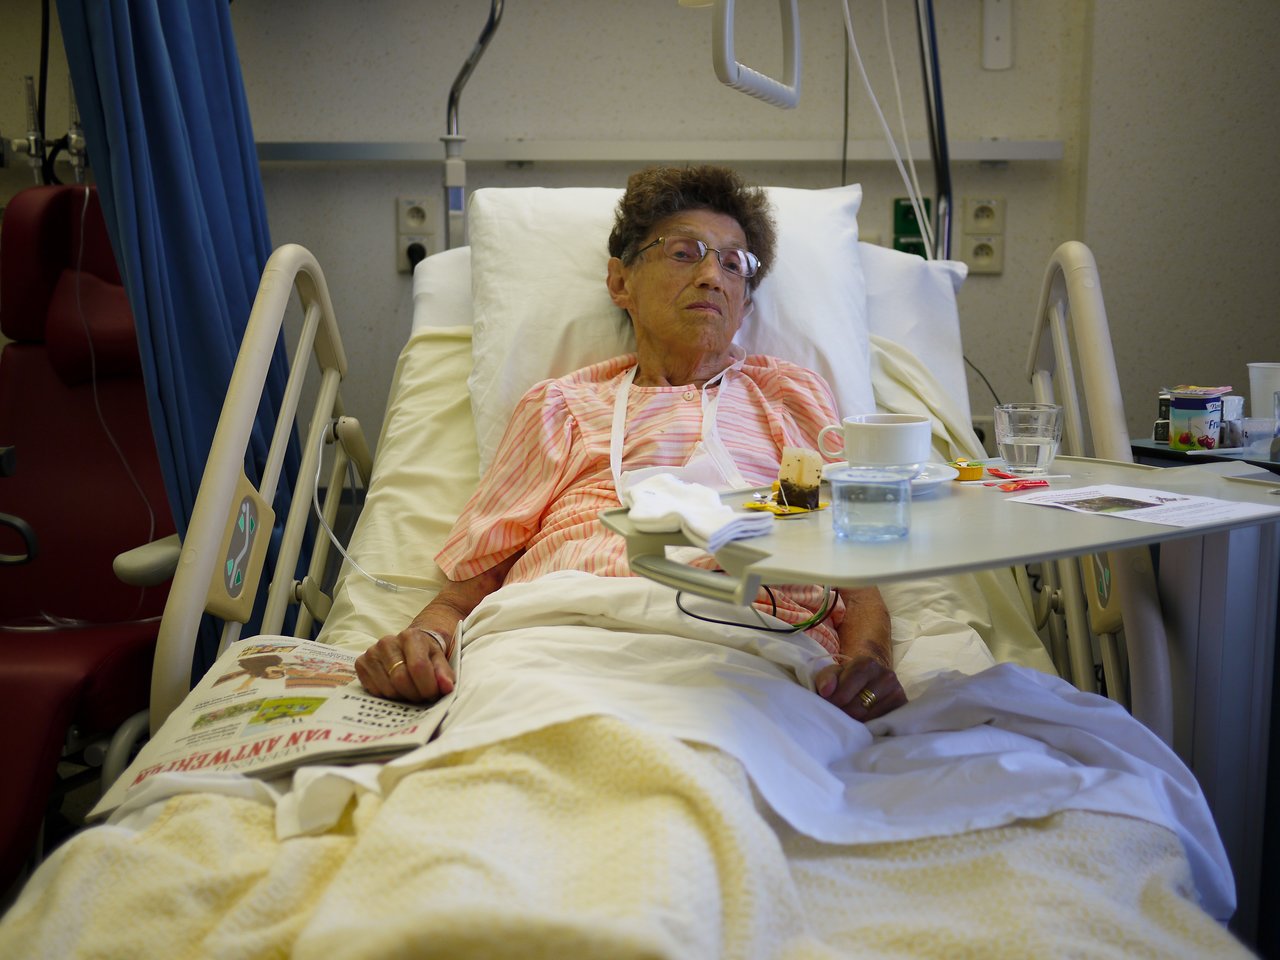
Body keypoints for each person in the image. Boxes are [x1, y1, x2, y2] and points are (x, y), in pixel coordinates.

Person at [355, 165, 906, 723]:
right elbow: (468, 586)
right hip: (556, 641)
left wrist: (870, 662)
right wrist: (421, 639)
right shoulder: (562, 407)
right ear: (621, 283)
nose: (713, 276)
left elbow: (854, 577)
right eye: (685, 253)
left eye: (734, 263)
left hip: (751, 646)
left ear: (745, 302)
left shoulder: (788, 397)